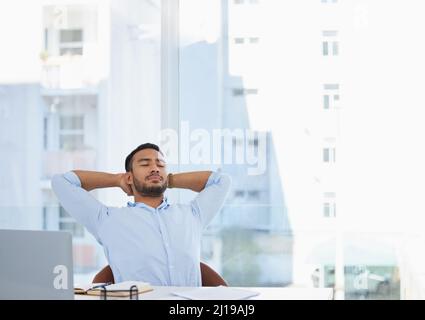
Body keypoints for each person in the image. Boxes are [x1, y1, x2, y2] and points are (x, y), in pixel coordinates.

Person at [52, 143, 231, 286]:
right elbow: (62, 182)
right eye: (145, 164)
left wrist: (169, 180)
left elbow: (221, 181)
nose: (154, 168)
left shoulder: (192, 215)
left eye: (160, 165)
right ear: (129, 177)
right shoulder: (107, 219)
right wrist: (117, 179)